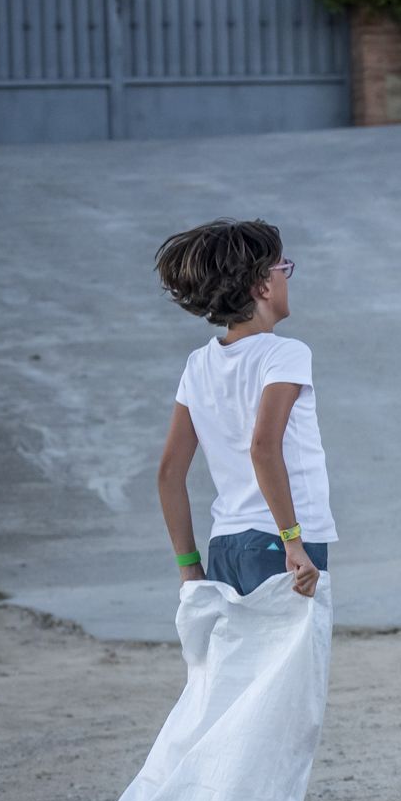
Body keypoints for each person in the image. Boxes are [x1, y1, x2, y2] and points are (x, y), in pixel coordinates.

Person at [154, 219, 332, 598]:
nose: (288, 277)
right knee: (293, 658)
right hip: (282, 544)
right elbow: (263, 448)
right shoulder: (285, 353)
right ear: (262, 285)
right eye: (284, 268)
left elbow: (169, 473)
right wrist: (292, 541)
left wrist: (189, 568)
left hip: (227, 546)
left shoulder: (198, 364)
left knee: (235, 659)